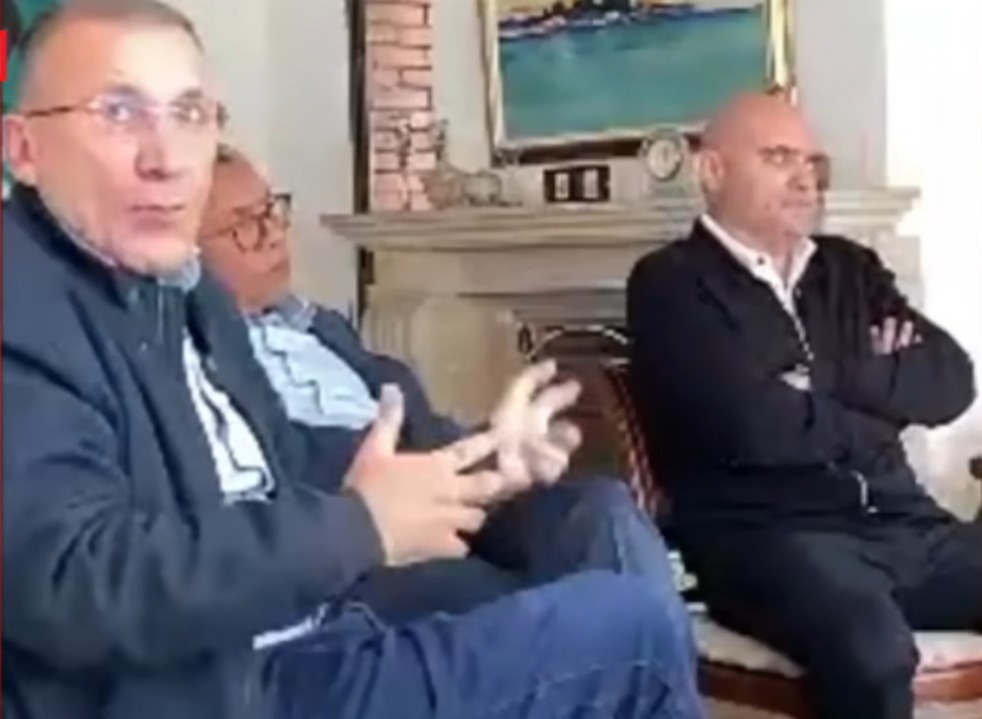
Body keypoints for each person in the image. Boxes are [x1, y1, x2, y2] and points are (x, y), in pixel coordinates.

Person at [1, 2, 705, 719]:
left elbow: (285, 454)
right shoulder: (22, 301)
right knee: (631, 633)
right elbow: (74, 579)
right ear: (23, 149)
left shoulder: (184, 290)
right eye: (118, 113)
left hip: (294, 628)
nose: (166, 158)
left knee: (589, 549)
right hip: (209, 689)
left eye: (189, 114)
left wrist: (475, 462)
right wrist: (360, 525)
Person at [197, 145, 694, 623]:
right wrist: (418, 474)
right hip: (367, 535)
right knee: (518, 602)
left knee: (600, 510)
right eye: (243, 225)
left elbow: (427, 428)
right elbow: (280, 478)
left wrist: (495, 446)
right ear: (188, 251)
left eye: (272, 210)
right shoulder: (197, 361)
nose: (273, 235)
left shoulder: (321, 329)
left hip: (449, 485)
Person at [627, 90, 981, 719]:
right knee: (873, 650)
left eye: (812, 162)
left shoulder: (849, 269)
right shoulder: (670, 283)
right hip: (769, 539)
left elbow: (952, 383)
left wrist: (820, 380)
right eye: (778, 158)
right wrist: (881, 401)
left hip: (903, 524)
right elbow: (753, 427)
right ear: (713, 171)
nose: (804, 178)